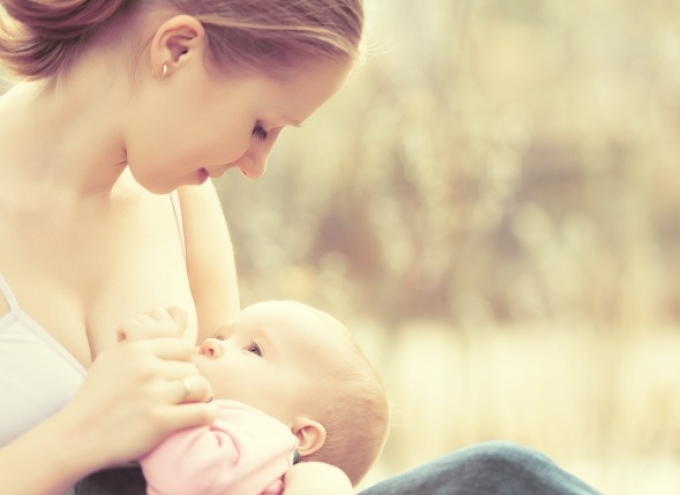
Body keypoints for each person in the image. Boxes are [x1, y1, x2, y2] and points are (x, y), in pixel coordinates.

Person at [0, 1, 605, 494]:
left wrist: (309, 478)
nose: (258, 165)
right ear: (177, 49)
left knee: (502, 480)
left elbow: (241, 427)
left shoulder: (183, 205)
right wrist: (78, 436)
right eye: (262, 126)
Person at [118, 301, 388, 495]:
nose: (213, 344)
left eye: (254, 349)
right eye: (221, 336)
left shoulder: (266, 434)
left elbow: (193, 474)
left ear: (301, 436)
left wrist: (160, 366)